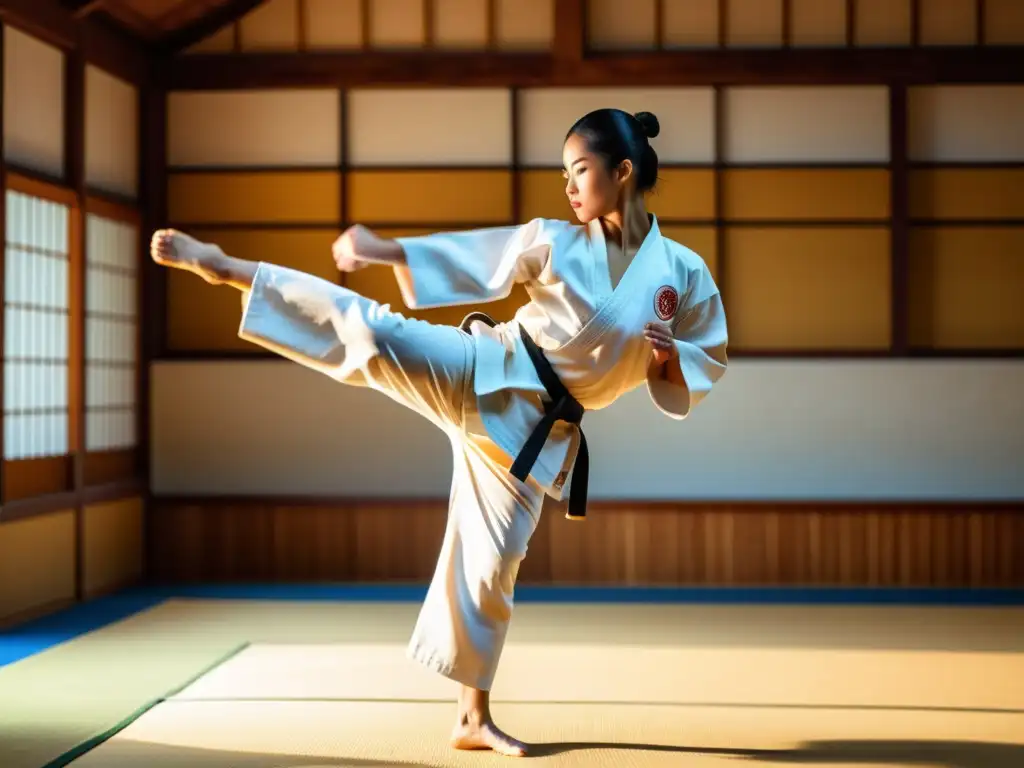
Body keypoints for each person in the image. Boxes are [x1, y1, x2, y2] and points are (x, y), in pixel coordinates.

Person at [150, 108, 728, 757]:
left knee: (493, 563)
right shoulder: (559, 242)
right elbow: (483, 255)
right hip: (488, 367)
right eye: (564, 175)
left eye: (580, 172)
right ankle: (231, 268)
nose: (568, 189)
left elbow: (699, 363)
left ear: (622, 172)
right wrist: (387, 251)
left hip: (533, 433)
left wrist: (670, 362)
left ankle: (470, 718)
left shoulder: (682, 273)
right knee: (371, 334)